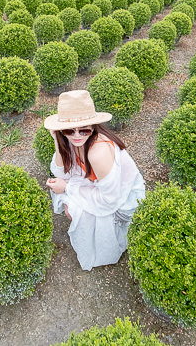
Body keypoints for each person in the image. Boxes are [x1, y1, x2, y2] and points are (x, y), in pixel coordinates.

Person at [44, 89, 146, 271]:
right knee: (67, 199)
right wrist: (57, 141)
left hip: (122, 200)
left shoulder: (98, 151)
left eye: (84, 129)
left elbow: (110, 200)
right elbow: (60, 171)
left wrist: (67, 188)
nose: (76, 135)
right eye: (68, 129)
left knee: (72, 207)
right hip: (100, 188)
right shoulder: (72, 140)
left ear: (93, 126)